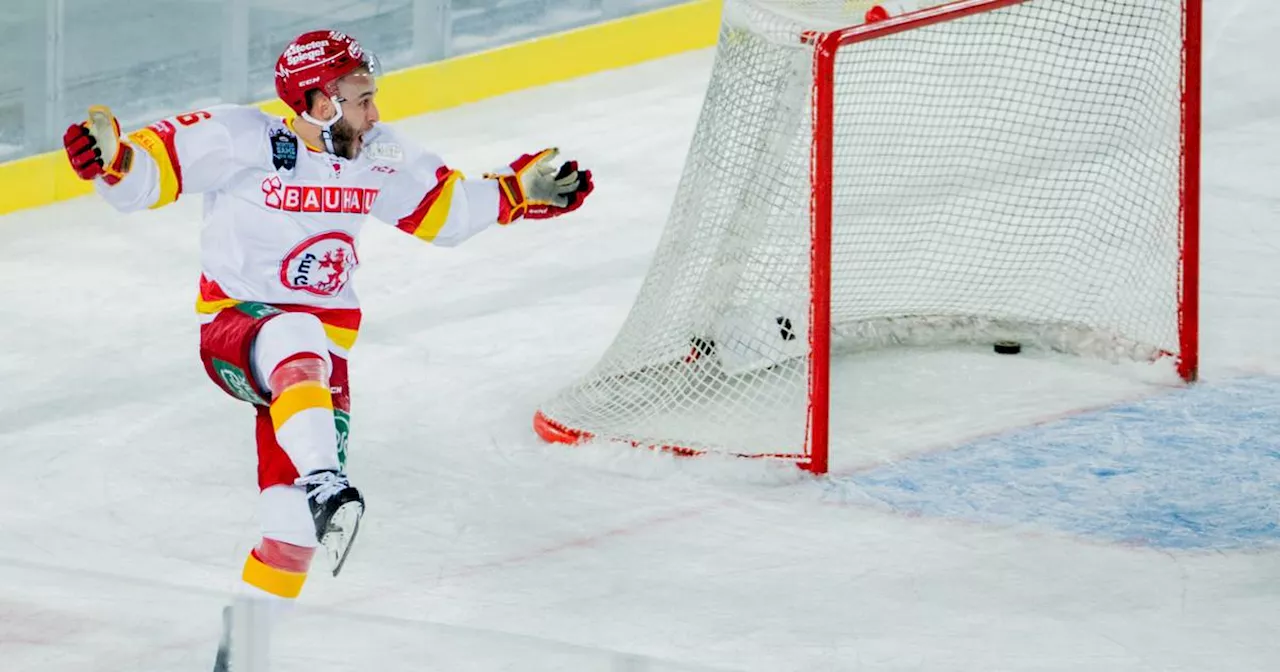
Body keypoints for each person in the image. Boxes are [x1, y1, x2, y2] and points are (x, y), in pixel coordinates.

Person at [60, 29, 594, 667]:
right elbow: (146, 174)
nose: (376, 113)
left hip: (319, 369)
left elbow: (444, 210)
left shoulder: (379, 152)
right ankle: (324, 479)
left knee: (290, 536)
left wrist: (518, 191)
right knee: (296, 332)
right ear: (319, 104)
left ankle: (239, 658)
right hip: (239, 332)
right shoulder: (240, 138)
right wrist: (111, 160)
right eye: (363, 99)